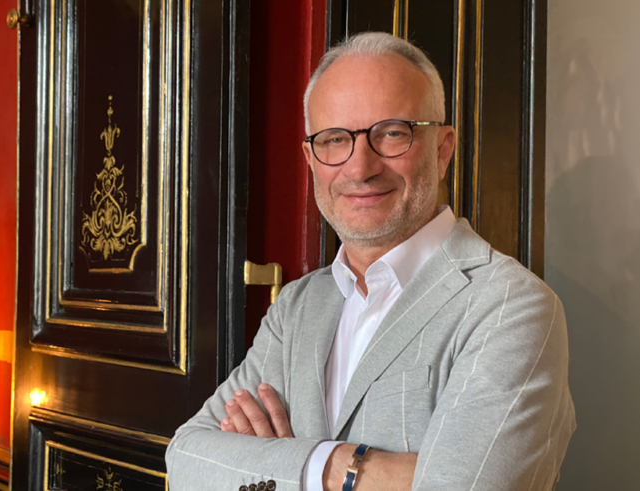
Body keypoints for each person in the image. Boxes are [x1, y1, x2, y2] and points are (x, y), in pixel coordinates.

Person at [165, 32, 576, 491]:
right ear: (311, 159)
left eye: (392, 133)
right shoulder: (295, 307)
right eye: (334, 139)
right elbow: (185, 460)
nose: (360, 168)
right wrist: (335, 466)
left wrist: (271, 464)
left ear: (443, 149)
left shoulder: (511, 307)